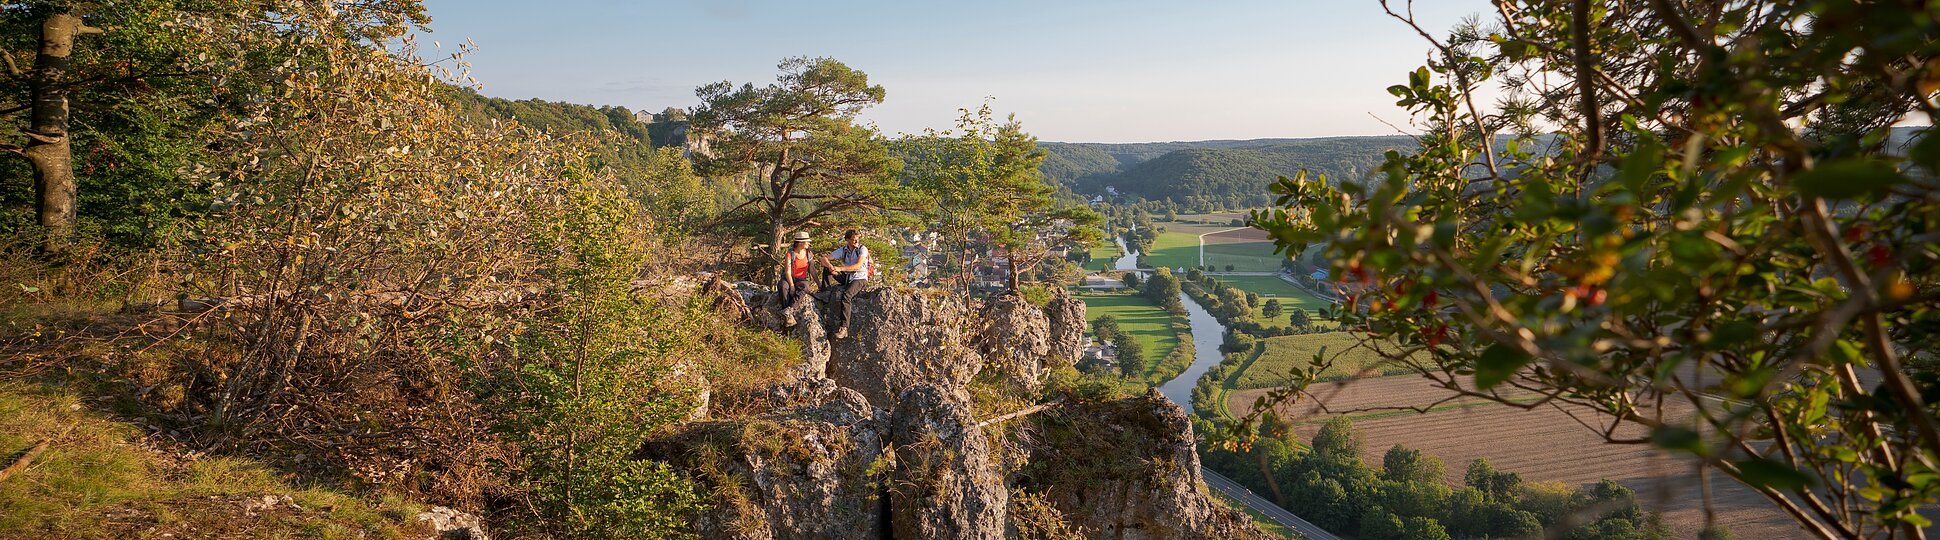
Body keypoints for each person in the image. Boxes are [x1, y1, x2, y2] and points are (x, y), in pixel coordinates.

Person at [821, 229, 872, 338]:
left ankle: (844, 327)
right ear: (847, 240)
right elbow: (824, 259)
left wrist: (839, 268)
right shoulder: (843, 250)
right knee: (827, 269)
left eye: (857, 239)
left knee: (846, 295)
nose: (856, 242)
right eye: (853, 240)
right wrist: (830, 266)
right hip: (848, 277)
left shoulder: (862, 249)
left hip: (860, 278)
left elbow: (857, 266)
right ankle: (825, 292)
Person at [778, 231, 815, 312]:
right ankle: (785, 310)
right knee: (783, 286)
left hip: (801, 279)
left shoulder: (809, 253)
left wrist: (819, 285)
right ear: (800, 243)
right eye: (807, 242)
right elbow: (788, 272)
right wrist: (791, 286)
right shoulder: (790, 254)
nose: (809, 243)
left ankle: (790, 310)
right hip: (789, 278)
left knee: (805, 287)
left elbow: (812, 270)